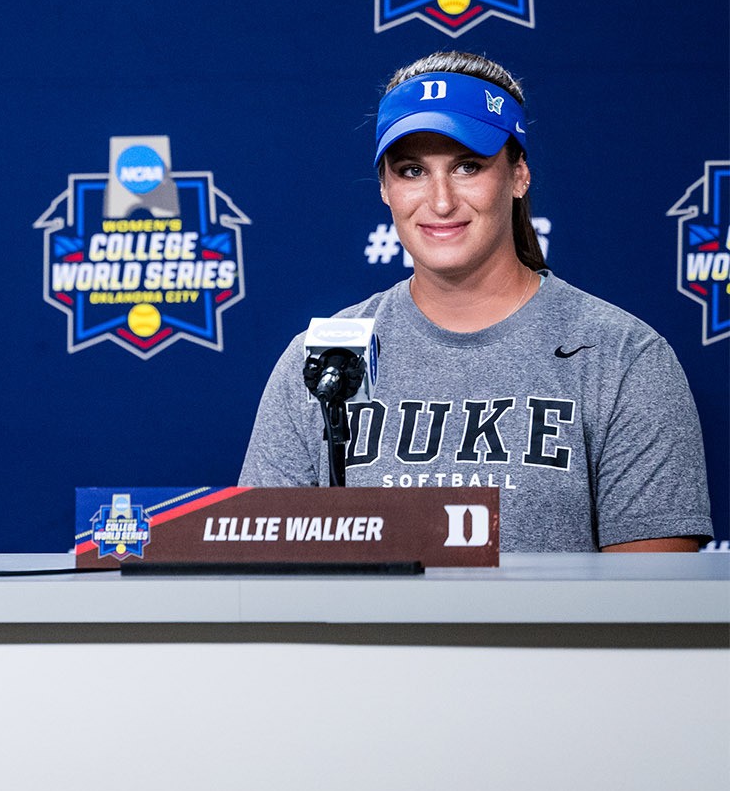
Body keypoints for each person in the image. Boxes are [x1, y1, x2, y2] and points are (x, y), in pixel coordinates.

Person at [240, 52, 712, 552]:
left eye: (468, 166)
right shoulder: (318, 363)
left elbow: (651, 609)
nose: (441, 201)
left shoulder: (620, 356)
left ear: (519, 175)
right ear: (385, 188)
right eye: (412, 171)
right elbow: (266, 572)